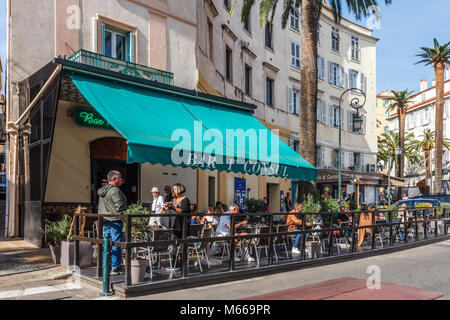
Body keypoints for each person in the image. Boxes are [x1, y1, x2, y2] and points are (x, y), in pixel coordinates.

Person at [97, 170, 127, 275]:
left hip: (105, 221)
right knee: (116, 245)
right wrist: (123, 212)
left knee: (106, 244)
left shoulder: (103, 190)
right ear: (114, 179)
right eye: (120, 178)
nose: (121, 179)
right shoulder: (115, 190)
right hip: (115, 221)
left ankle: (105, 266)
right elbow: (119, 206)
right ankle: (116, 267)